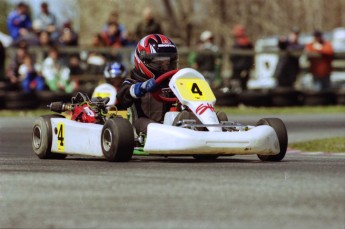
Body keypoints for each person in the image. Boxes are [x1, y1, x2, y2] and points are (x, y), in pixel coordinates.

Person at [116, 34, 227, 135]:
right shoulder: (132, 82)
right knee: (150, 125)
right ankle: (181, 128)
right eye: (159, 63)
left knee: (190, 116)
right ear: (143, 61)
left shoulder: (174, 82)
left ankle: (213, 125)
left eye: (168, 63)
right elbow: (122, 95)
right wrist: (142, 87)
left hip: (173, 120)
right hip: (144, 124)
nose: (165, 68)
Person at [230, 24, 254, 91]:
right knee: (244, 85)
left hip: (238, 68)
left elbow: (233, 57)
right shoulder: (249, 43)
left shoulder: (238, 44)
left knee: (236, 84)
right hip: (245, 67)